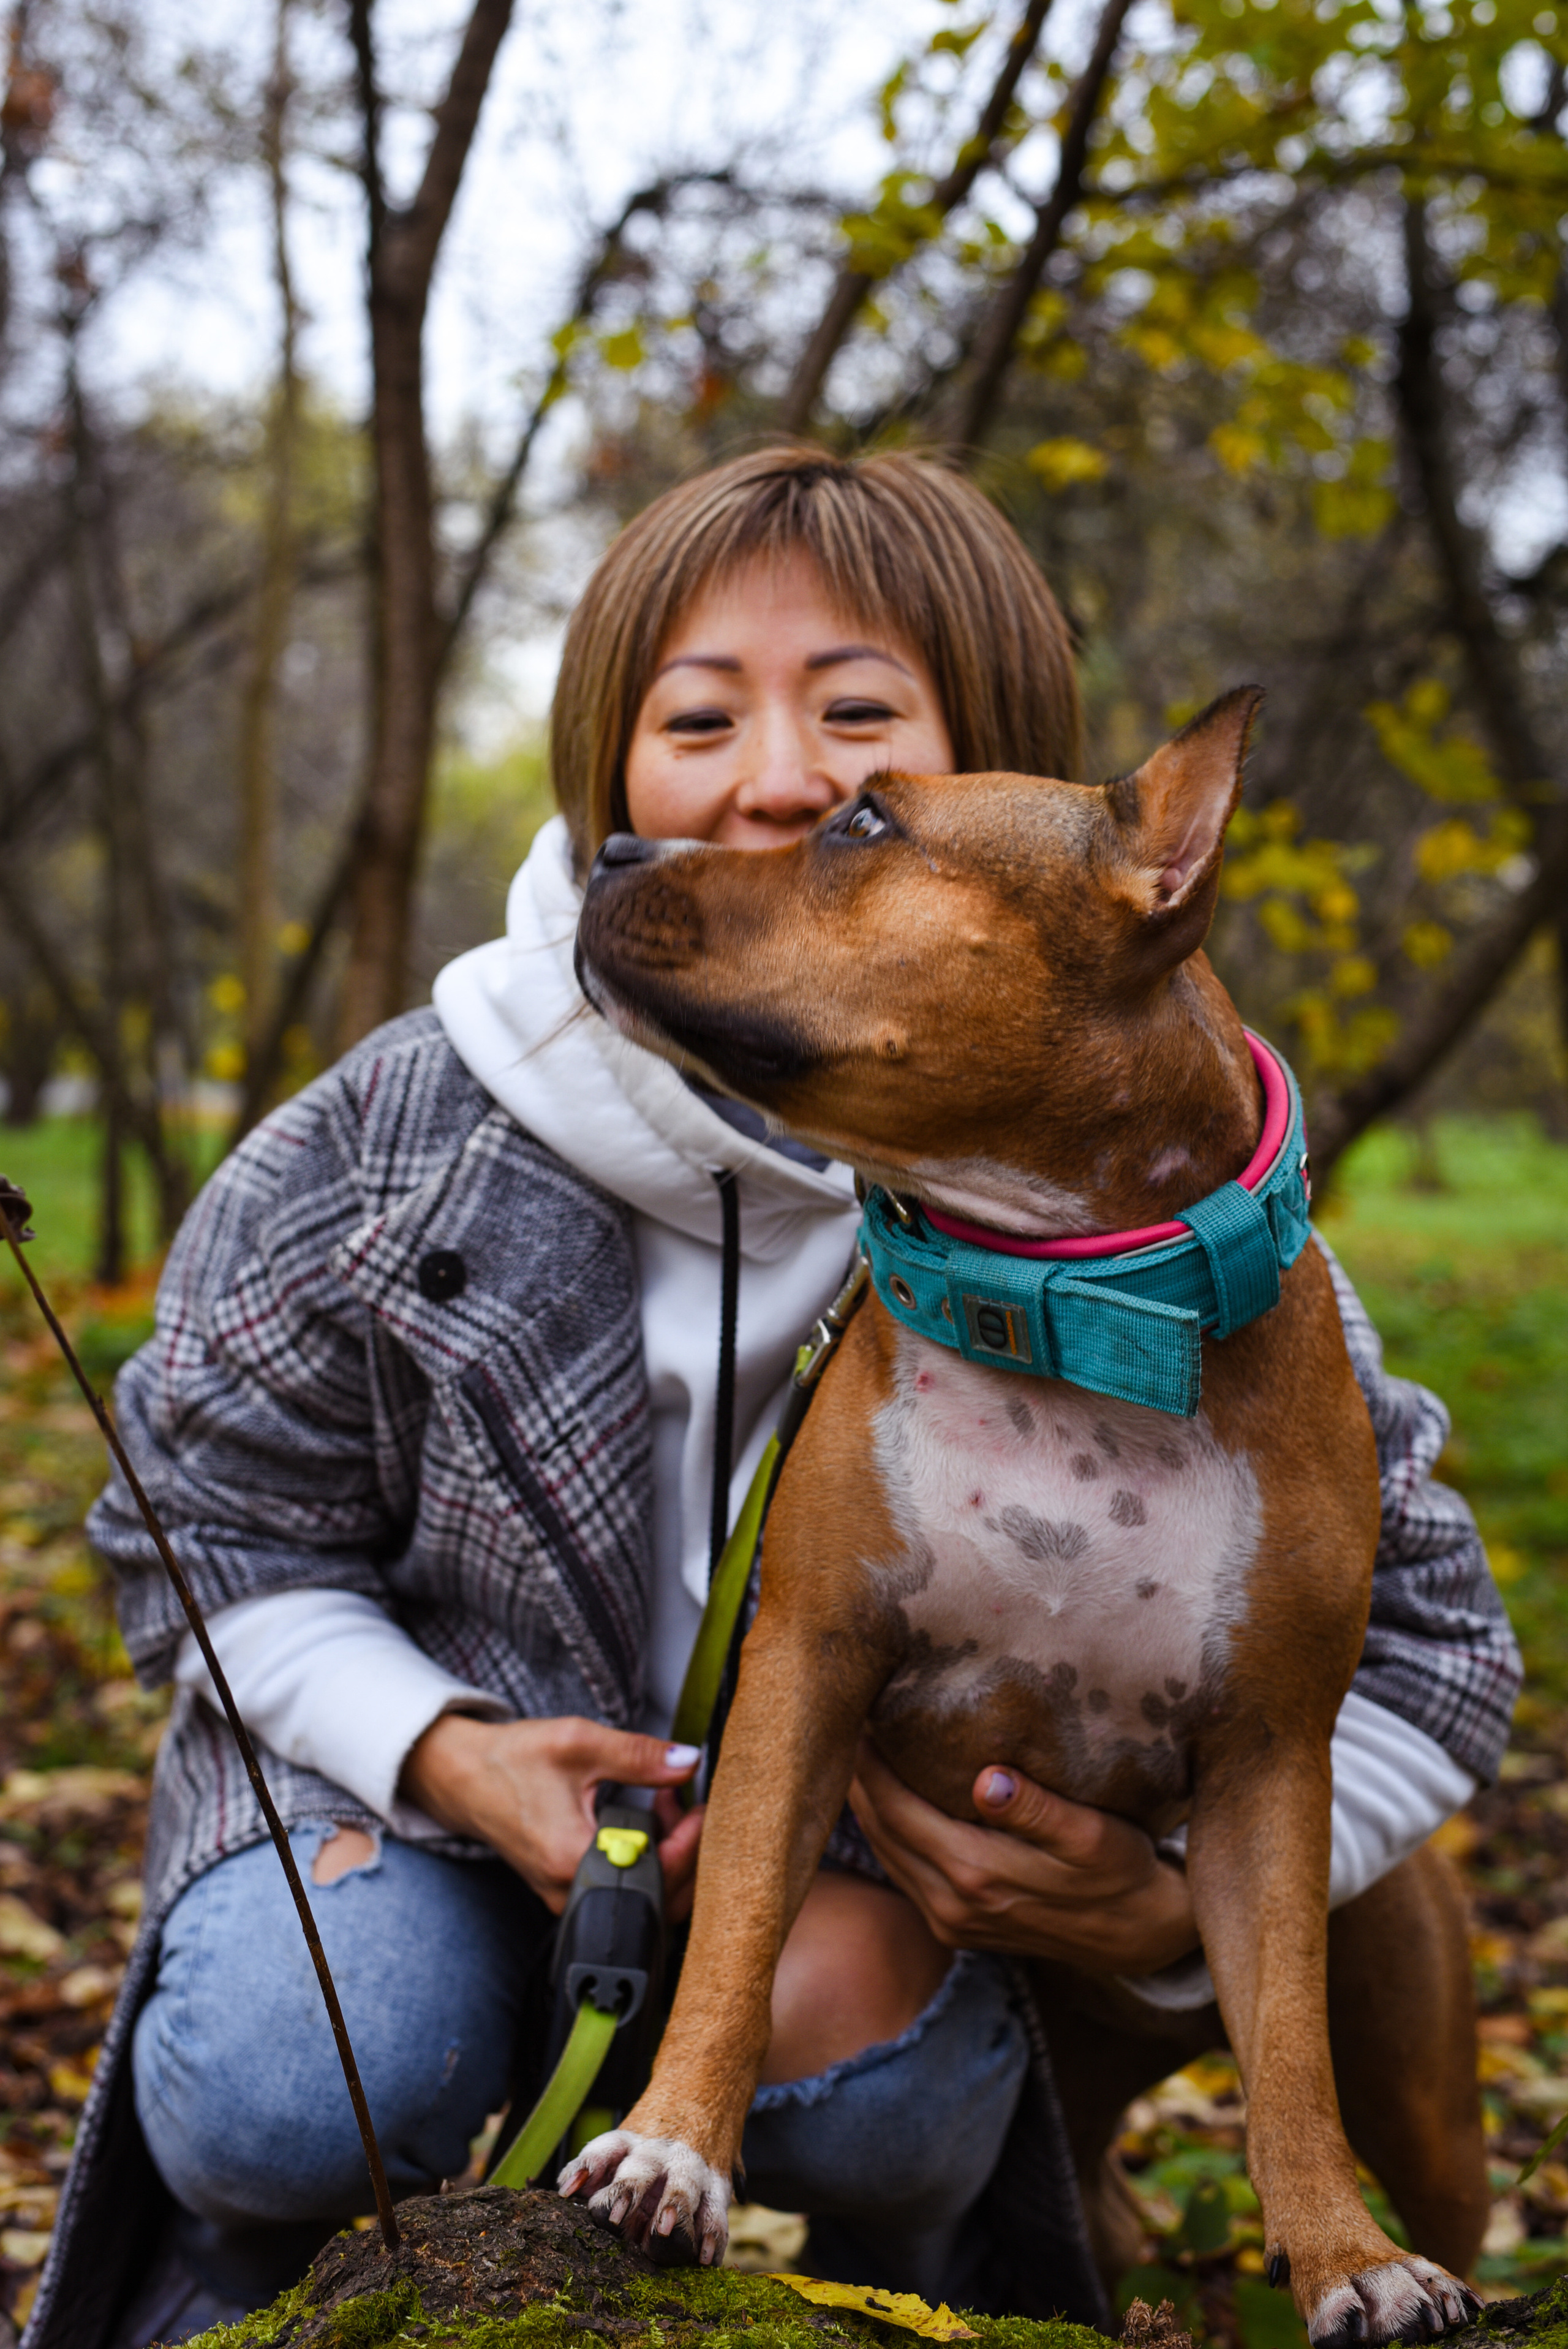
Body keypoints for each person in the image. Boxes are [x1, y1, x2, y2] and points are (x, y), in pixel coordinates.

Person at [25, 448, 1520, 2349]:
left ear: (1024, 796)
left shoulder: (1186, 1253)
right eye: (698, 718)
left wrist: (1160, 1916)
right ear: (607, 765)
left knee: (898, 2098)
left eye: (864, 736)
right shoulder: (385, 1141)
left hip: (854, 1897)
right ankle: (242, 2294)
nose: (780, 776)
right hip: (418, 1828)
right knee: (296, 2070)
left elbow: (1433, 1646)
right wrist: (443, 1745)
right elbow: (204, 1530)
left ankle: (939, 2275)